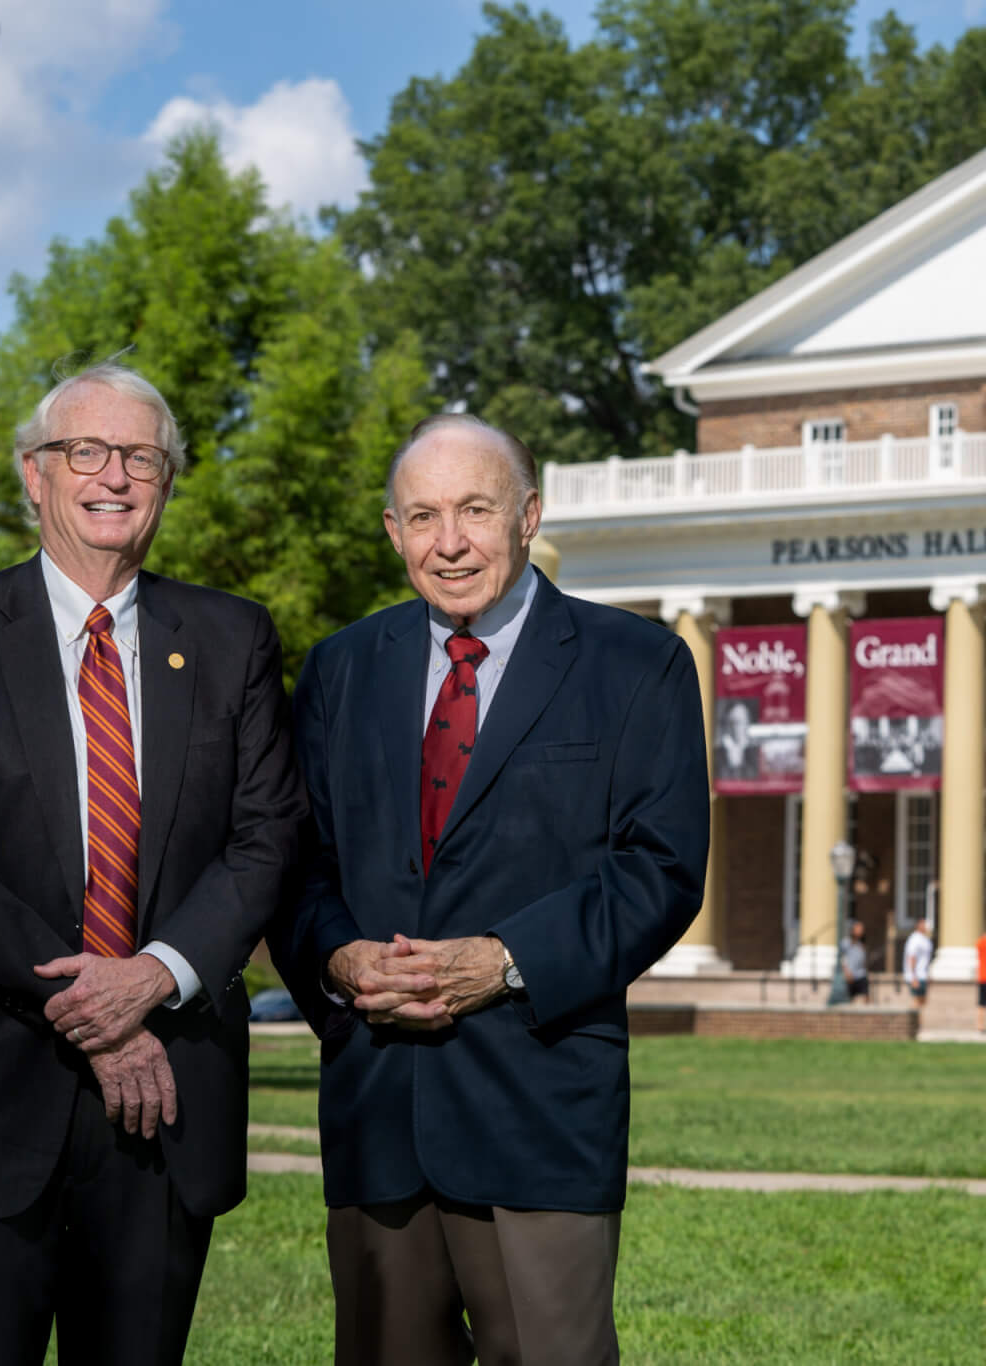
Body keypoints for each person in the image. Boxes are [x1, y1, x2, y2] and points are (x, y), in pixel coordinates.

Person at [0, 358, 307, 1366]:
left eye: (141, 456)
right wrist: (94, 1008)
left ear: (165, 482)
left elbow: (267, 836)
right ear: (35, 473)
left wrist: (153, 976)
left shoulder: (230, 637)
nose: (113, 475)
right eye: (87, 451)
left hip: (169, 1103)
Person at [272, 413, 708, 1366]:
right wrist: (341, 961)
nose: (450, 541)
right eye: (423, 516)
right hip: (379, 1103)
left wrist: (504, 963)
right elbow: (295, 865)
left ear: (528, 515)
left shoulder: (638, 664)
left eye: (475, 508)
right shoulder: (340, 669)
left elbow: (662, 869)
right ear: (393, 533)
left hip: (538, 1104)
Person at [903, 918, 935, 1009]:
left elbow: (926, 960)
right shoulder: (914, 939)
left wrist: (928, 974)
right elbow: (912, 957)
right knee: (916, 1002)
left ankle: (918, 1022)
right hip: (916, 976)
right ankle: (913, 1022)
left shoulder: (925, 940)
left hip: (923, 975)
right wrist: (913, 976)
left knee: (923, 1002)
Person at [842, 918, 871, 1003]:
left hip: (861, 974)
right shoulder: (846, 943)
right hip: (850, 975)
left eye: (862, 929)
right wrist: (846, 972)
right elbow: (842, 958)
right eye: (858, 929)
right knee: (850, 998)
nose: (861, 931)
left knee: (866, 995)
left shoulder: (861, 945)